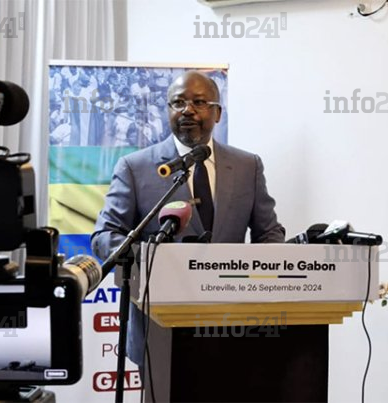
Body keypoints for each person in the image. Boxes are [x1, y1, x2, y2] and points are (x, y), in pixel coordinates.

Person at [91, 70, 285, 366]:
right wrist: (150, 259)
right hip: (159, 326)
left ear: (217, 113)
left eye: (199, 102)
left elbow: (268, 233)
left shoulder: (248, 166)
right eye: (178, 103)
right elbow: (105, 236)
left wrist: (261, 277)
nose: (187, 110)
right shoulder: (135, 167)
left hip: (233, 324)